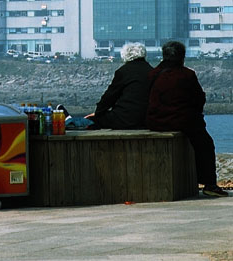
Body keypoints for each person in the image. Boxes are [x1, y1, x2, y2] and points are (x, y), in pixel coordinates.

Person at [146, 40, 228, 198]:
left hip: (155, 121)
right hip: (182, 120)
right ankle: (209, 184)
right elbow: (199, 98)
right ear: (182, 57)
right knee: (205, 143)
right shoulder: (187, 74)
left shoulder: (153, 74)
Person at [86, 42, 152, 129]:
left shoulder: (123, 71)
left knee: (92, 121)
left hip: (124, 119)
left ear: (125, 55)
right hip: (146, 119)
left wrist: (98, 113)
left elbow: (109, 97)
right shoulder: (151, 71)